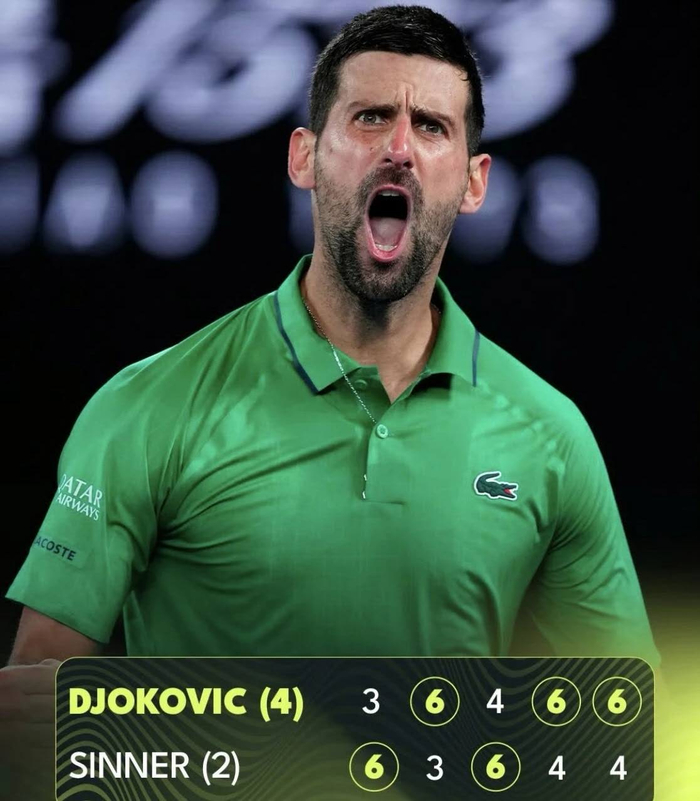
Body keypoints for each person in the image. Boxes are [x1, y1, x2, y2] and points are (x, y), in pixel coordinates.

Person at [4, 5, 659, 667]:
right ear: (305, 157)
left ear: (473, 181)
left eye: (431, 126)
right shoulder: (148, 405)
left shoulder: (551, 436)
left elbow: (626, 711)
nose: (399, 148)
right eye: (370, 117)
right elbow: (35, 697)